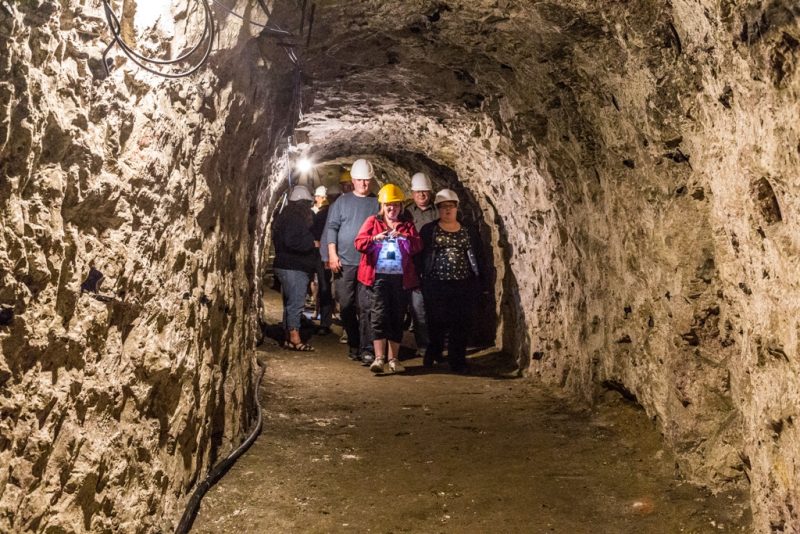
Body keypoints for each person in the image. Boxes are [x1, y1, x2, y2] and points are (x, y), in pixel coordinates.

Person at [355, 184, 422, 373]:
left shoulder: (406, 225)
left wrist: (404, 237)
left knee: (396, 317)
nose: (392, 209)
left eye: (395, 205)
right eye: (388, 206)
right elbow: (359, 242)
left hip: (400, 278)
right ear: (382, 206)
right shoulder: (372, 222)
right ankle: (379, 358)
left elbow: (417, 246)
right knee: (378, 315)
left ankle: (394, 359)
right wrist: (374, 239)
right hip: (378, 277)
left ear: (401, 206)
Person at [419, 189, 485, 373]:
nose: (447, 210)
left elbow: (478, 256)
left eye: (451, 206)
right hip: (437, 284)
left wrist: (482, 282)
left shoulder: (468, 231)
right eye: (443, 207)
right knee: (436, 321)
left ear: (457, 207)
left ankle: (458, 360)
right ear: (437, 209)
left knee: (460, 322)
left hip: (463, 284)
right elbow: (421, 256)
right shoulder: (429, 230)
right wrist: (419, 278)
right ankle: (434, 350)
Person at [321, 159, 379, 362]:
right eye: (360, 180)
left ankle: (366, 348)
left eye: (367, 180)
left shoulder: (376, 203)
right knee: (345, 305)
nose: (364, 184)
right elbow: (332, 228)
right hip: (345, 263)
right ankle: (354, 342)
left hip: (368, 263)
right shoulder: (341, 202)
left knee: (366, 307)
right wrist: (332, 254)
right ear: (353, 180)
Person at [272, 185, 319, 351]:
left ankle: (287, 336)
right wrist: (311, 244)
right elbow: (291, 241)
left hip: (284, 265)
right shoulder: (295, 218)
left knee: (289, 303)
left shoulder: (284, 216)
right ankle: (294, 337)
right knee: (296, 303)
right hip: (294, 266)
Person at [405, 172, 439, 359]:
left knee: (435, 308)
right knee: (418, 309)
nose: (421, 195)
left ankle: (437, 344)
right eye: (418, 192)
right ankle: (424, 346)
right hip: (415, 266)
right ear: (412, 194)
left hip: (435, 266)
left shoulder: (437, 212)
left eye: (424, 191)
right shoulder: (407, 213)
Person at [311, 184, 334, 335]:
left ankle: (324, 321)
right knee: (323, 287)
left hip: (319, 253)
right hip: (318, 253)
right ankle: (324, 321)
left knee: (324, 287)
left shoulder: (323, 214)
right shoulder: (324, 213)